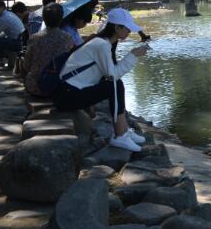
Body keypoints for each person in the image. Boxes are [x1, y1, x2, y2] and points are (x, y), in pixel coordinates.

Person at [53, 8, 150, 151]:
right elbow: (112, 75)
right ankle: (120, 136)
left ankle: (123, 130)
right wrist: (133, 55)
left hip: (69, 91)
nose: (130, 31)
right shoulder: (102, 45)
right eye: (128, 28)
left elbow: (110, 74)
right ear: (117, 27)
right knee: (113, 84)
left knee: (117, 84)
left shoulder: (103, 42)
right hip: (66, 95)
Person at [22, 3, 73, 97]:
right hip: (58, 86)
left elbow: (26, 65)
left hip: (36, 86)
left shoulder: (34, 38)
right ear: (61, 19)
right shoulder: (68, 38)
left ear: (44, 19)